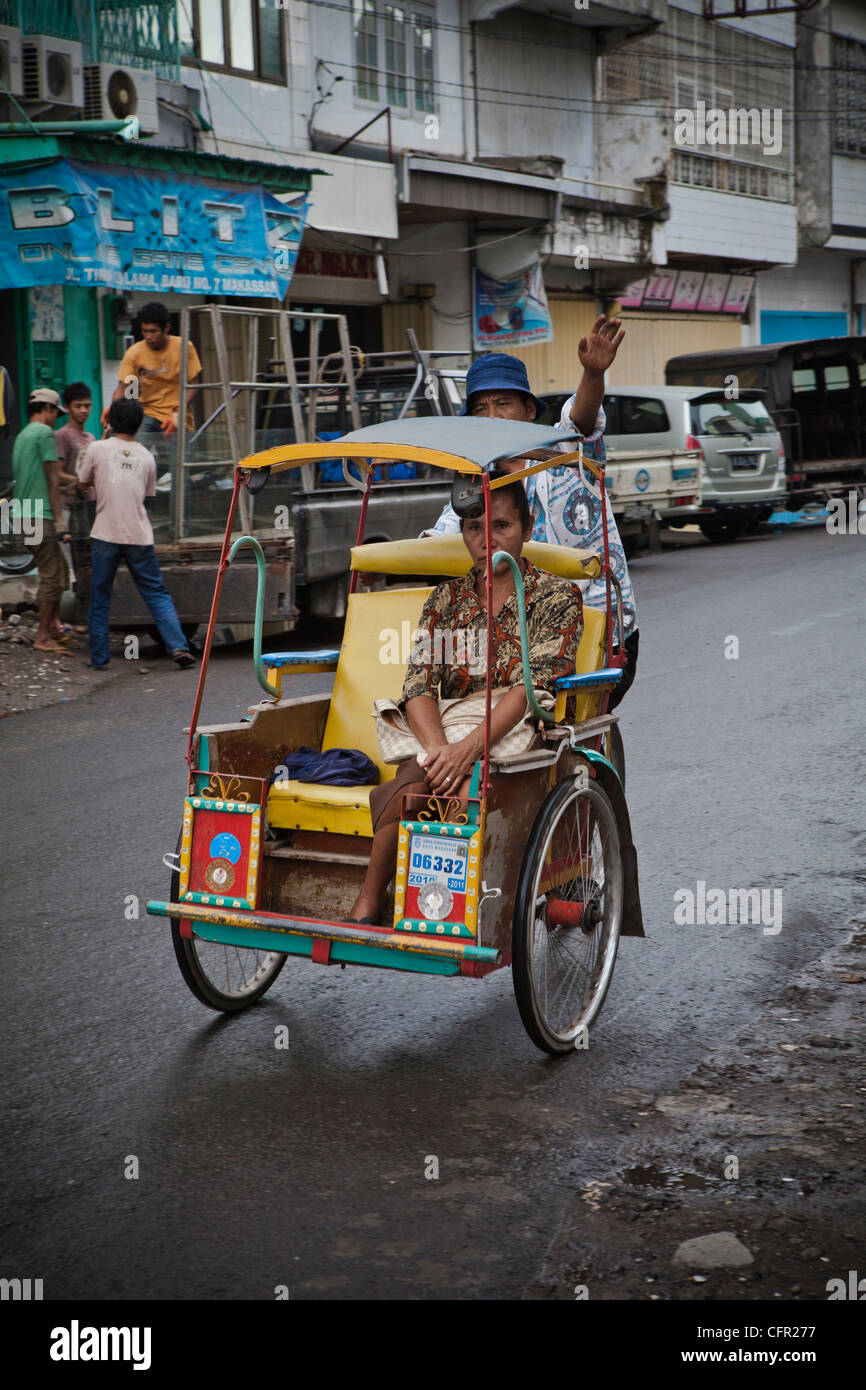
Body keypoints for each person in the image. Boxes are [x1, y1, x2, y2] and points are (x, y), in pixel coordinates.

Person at [349, 476, 583, 925]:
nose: (486, 539)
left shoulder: (556, 597)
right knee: (424, 782)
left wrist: (467, 752)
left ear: (528, 528)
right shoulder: (445, 600)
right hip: (448, 731)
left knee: (456, 787)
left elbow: (528, 691)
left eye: (501, 526)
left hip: (516, 729)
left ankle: (443, 910)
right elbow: (418, 686)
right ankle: (370, 901)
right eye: (474, 528)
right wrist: (444, 754)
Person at [425, 320, 639, 707]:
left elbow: (583, 420)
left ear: (527, 411)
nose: (492, 415)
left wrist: (593, 373)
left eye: (503, 403)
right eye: (481, 408)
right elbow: (437, 542)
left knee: (572, 729)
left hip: (600, 629)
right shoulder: (474, 488)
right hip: (521, 641)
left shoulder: (569, 456)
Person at [77, 398, 195, 670]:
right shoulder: (146, 455)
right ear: (140, 424)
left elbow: (82, 483)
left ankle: (99, 658)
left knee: (100, 597)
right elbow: (147, 494)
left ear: (110, 421)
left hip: (106, 533)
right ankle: (178, 647)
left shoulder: (97, 448)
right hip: (139, 536)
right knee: (156, 593)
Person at [12, 388, 74, 653]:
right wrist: (60, 519)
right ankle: (42, 636)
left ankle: (52, 629)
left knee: (58, 573)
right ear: (47, 409)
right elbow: (53, 479)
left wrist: (79, 482)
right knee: (52, 577)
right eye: (55, 413)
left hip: (20, 514)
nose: (55, 419)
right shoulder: (45, 434)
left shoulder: (23, 435)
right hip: (40, 515)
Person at [103, 301, 201, 436]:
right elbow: (122, 388)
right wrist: (113, 410)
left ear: (166, 328)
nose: (148, 336)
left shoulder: (184, 347)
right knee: (135, 449)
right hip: (146, 414)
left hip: (176, 415)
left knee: (176, 455)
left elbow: (193, 385)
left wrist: (179, 414)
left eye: (153, 331)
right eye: (145, 331)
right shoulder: (134, 352)